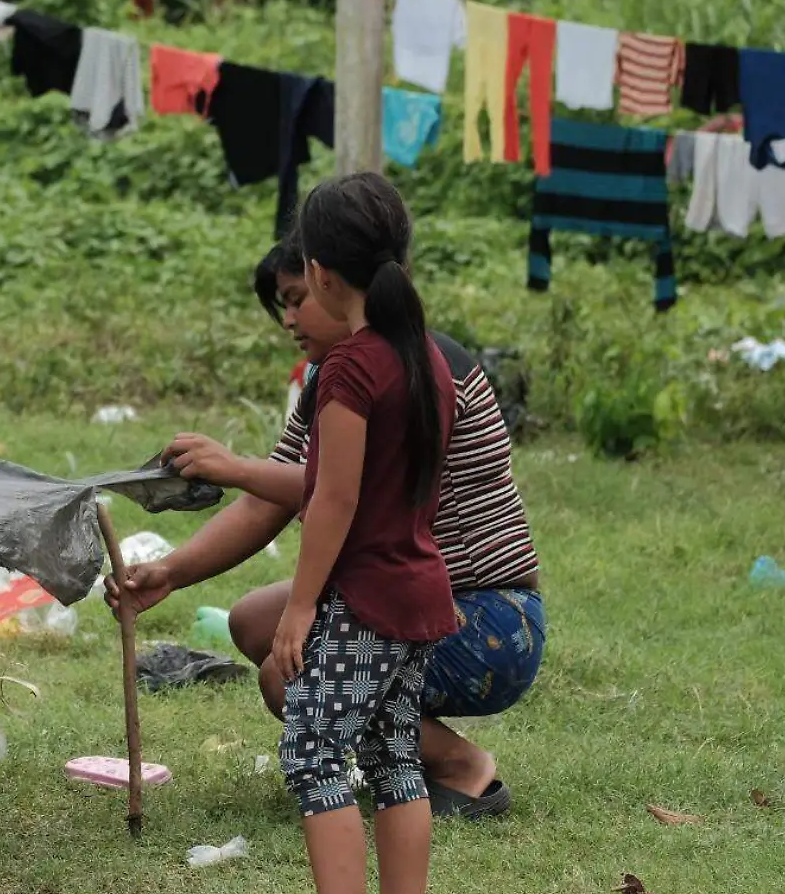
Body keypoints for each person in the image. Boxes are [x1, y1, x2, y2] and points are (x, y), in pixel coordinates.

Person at [113, 173, 456, 894]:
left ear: (325, 274)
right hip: (418, 595)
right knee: (396, 754)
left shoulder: (350, 367)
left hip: (366, 601)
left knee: (313, 753)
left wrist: (300, 607)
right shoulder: (425, 358)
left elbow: (330, 498)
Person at [116, 233, 543, 821]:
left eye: (297, 298)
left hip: (482, 617)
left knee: (287, 682)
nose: (290, 319)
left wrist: (236, 468)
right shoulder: (336, 375)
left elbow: (355, 492)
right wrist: (170, 572)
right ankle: (401, 761)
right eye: (281, 306)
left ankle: (458, 765)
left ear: (332, 282)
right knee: (252, 623)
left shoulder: (420, 369)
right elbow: (274, 496)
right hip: (407, 598)